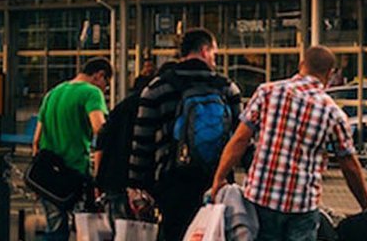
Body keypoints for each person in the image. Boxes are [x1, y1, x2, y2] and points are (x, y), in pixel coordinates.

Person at [208, 46, 367, 240]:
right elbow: (349, 165)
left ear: (301, 64)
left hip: (261, 197)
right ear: (330, 74)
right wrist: (366, 204)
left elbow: (240, 140)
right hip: (302, 205)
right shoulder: (333, 113)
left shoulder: (267, 92)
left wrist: (219, 178)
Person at [129, 30, 242, 241]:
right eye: (214, 54)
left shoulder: (157, 88)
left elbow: (142, 141)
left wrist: (137, 185)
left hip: (173, 183)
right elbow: (240, 138)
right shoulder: (227, 87)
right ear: (205, 50)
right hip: (217, 181)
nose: (214, 60)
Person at [34, 58, 113, 241]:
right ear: (99, 75)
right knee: (84, 231)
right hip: (75, 172)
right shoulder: (91, 92)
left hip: (48, 174)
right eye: (106, 84)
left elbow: (36, 139)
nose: (105, 90)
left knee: (54, 229)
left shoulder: (53, 93)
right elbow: (100, 129)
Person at [94, 64, 165, 221]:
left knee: (118, 229)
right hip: (144, 185)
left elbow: (101, 142)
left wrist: (98, 181)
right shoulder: (157, 106)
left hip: (114, 180)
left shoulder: (120, 108)